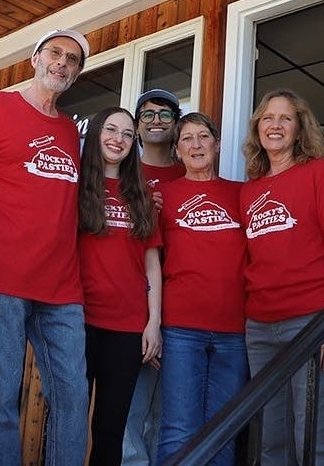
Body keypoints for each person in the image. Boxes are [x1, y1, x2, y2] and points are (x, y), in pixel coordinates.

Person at [0, 29, 90, 465]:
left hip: (63, 287)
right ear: (35, 58)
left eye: (72, 60)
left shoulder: (70, 131)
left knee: (72, 396)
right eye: (55, 53)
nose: (62, 63)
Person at [240, 88, 324, 465]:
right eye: (268, 118)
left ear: (299, 128)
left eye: (285, 118)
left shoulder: (319, 172)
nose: (275, 125)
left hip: (312, 323)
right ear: (258, 128)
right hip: (260, 327)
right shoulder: (250, 191)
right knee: (271, 442)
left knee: (314, 441)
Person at [156, 112, 249, 466]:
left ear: (217, 143)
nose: (196, 145)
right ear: (177, 151)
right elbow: (146, 259)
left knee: (222, 430)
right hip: (181, 328)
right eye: (187, 139)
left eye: (203, 137)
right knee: (179, 429)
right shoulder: (163, 196)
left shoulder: (241, 194)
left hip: (235, 330)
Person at [78, 107, 162, 465]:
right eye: (111, 130)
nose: (119, 139)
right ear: (96, 134)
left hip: (128, 326)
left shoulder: (141, 194)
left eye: (128, 134)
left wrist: (153, 322)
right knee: (67, 421)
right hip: (77, 321)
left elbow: (152, 264)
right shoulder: (77, 185)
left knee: (111, 428)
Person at [123, 88, 185, 466]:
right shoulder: (125, 171)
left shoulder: (191, 169)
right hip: (130, 304)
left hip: (178, 306)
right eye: (147, 114)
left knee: (166, 414)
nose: (157, 120)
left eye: (165, 113)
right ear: (137, 127)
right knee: (130, 409)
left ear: (176, 124)